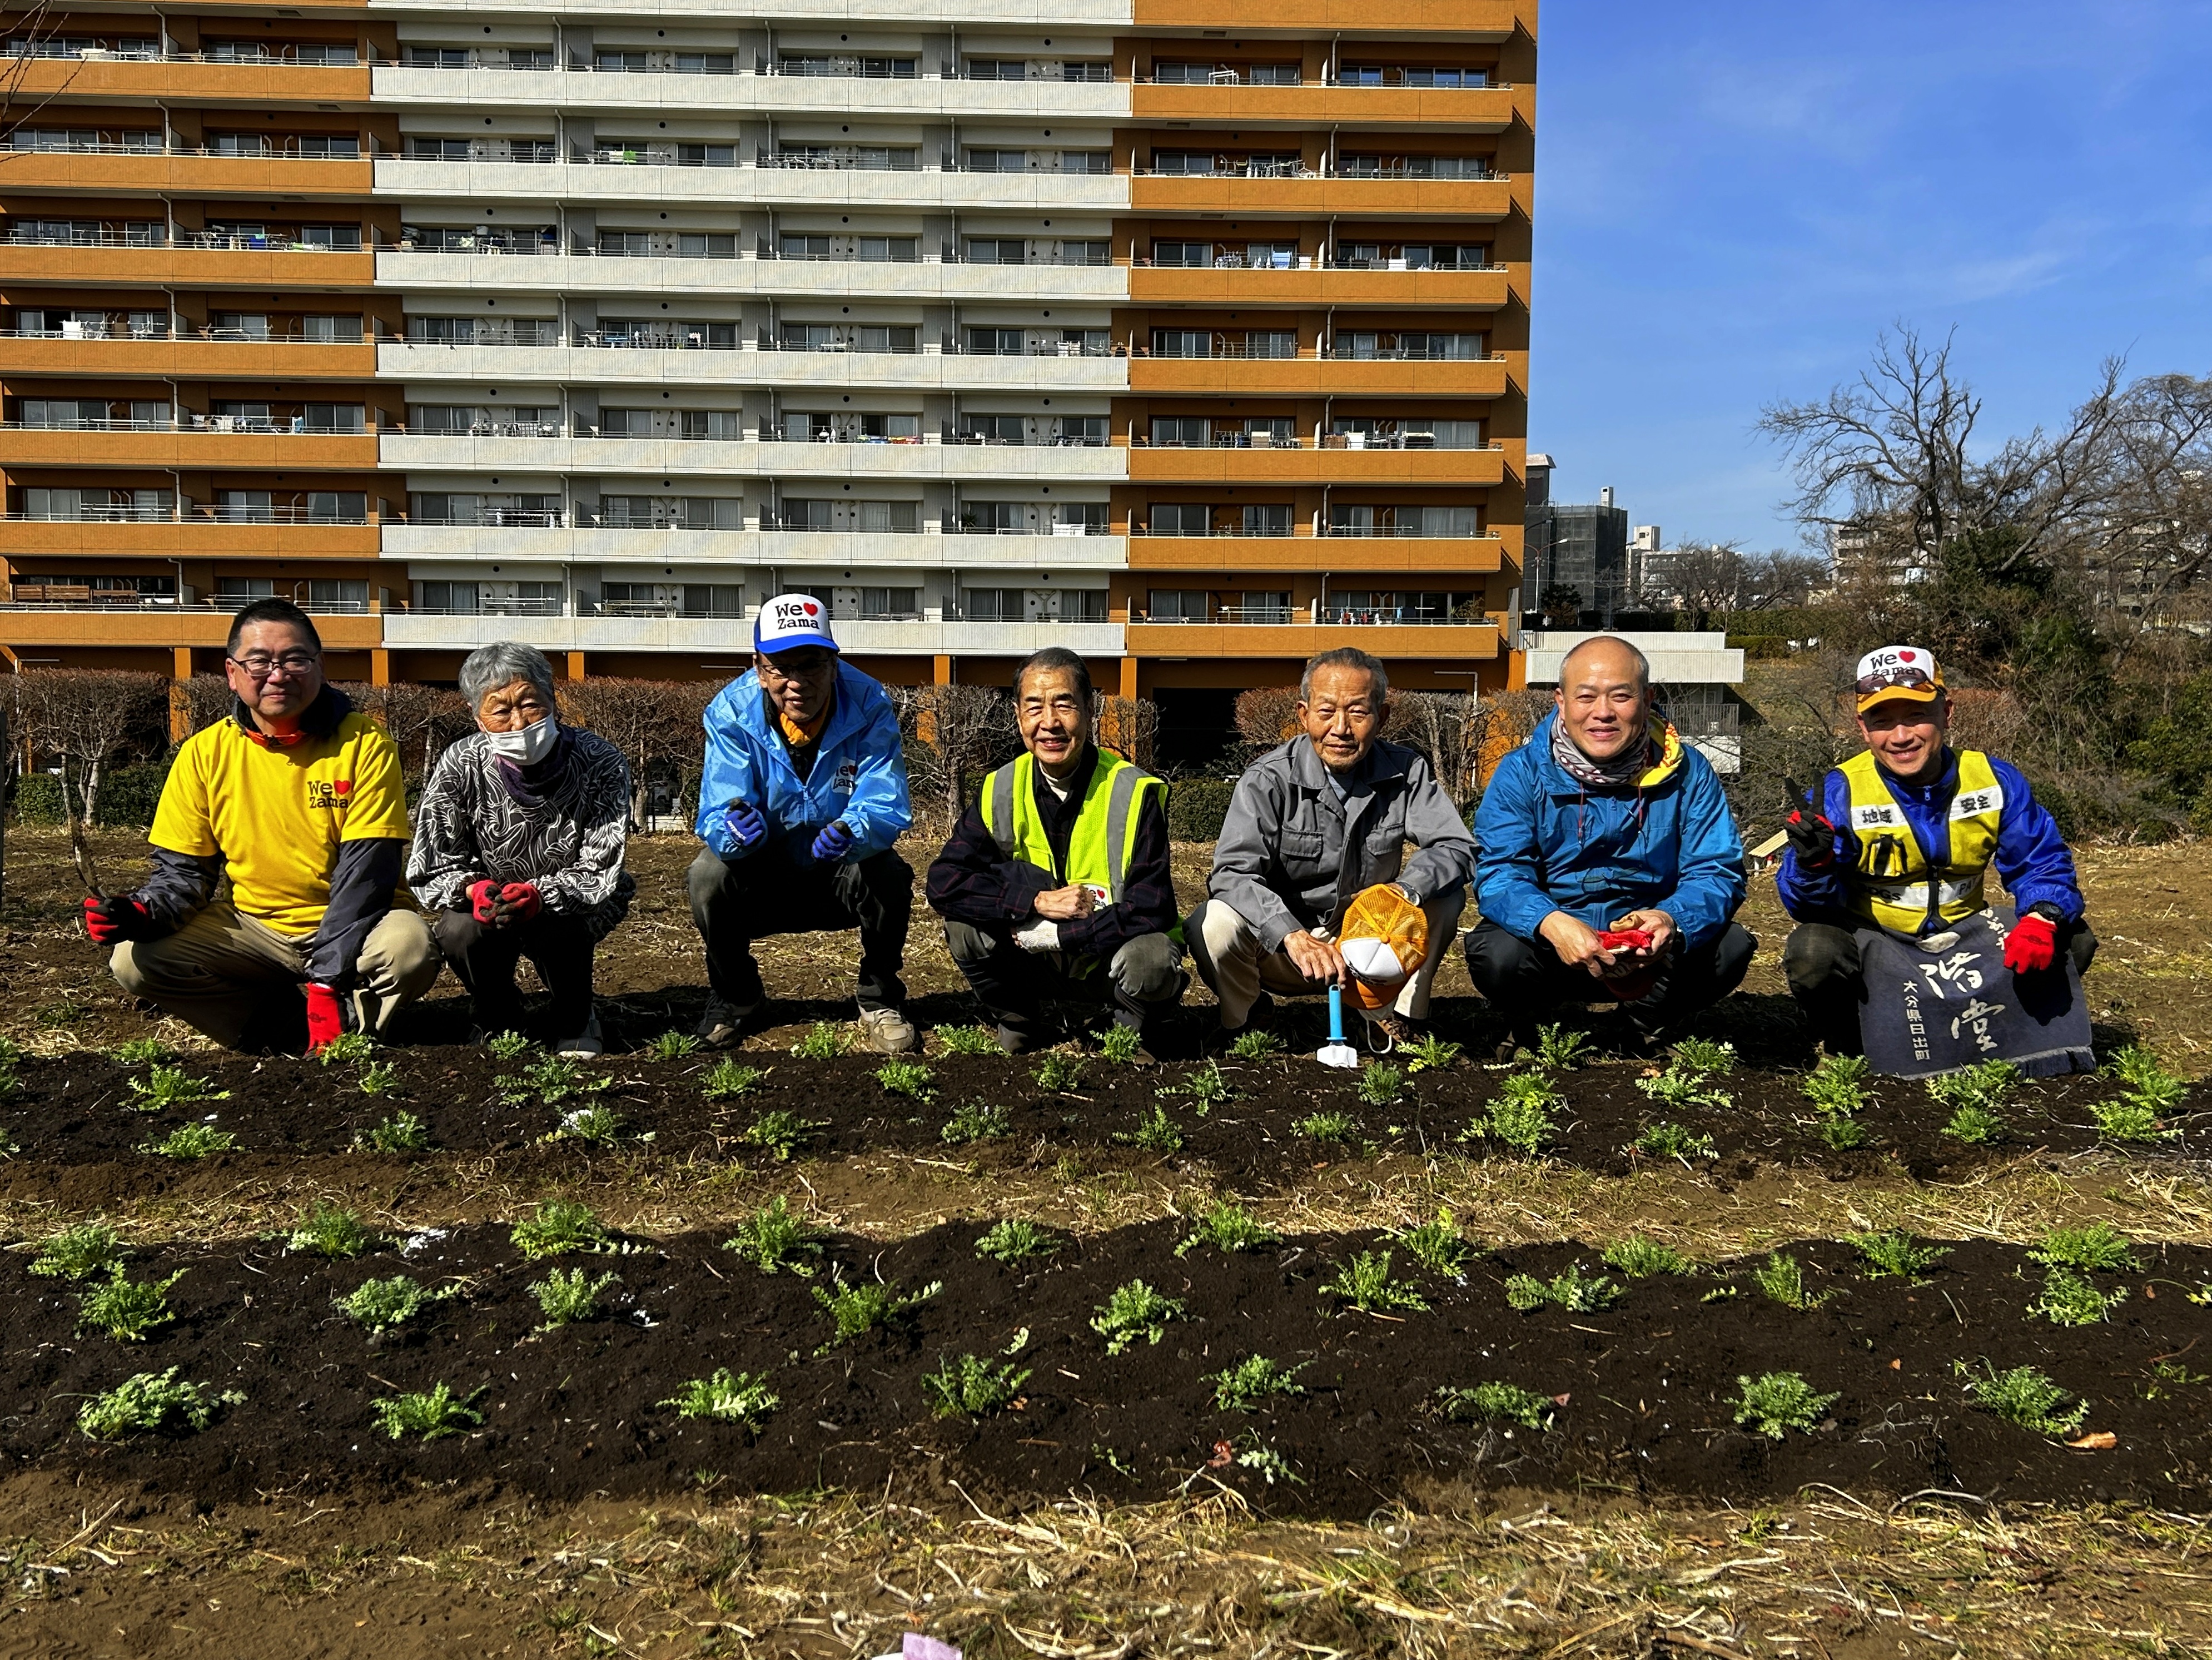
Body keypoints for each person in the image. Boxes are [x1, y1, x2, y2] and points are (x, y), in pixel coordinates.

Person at [85, 598, 440, 1050]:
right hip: (255, 926)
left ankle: (350, 1037)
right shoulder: (204, 752)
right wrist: (143, 911)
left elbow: (366, 874)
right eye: (260, 662)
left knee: (409, 950)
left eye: (295, 659)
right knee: (135, 961)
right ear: (233, 673)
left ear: (319, 666)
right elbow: (185, 874)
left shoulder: (365, 742)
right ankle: (279, 1029)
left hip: (360, 922)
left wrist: (328, 977)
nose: (278, 674)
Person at [1777, 644, 2093, 1055]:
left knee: (2073, 937)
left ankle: (2011, 1032)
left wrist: (2042, 916)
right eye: (1882, 721)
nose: (1900, 736)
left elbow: (2042, 861)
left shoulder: (1993, 780)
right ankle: (1849, 1041)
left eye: (1916, 716)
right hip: (1877, 943)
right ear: (1861, 727)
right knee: (1812, 951)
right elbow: (1807, 910)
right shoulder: (1838, 792)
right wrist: (1814, 864)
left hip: (1966, 937)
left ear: (1946, 712)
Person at [1468, 635, 1751, 1054]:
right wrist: (1549, 922)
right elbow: (1499, 872)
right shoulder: (1521, 771)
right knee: (1496, 953)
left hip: (1648, 951)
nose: (1602, 713)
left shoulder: (1689, 771)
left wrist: (1670, 920)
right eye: (1586, 697)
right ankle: (1537, 1024)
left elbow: (1716, 870)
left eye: (1621, 696)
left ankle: (1642, 1021)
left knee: (1730, 947)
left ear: (1647, 698)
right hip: (1557, 944)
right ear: (1560, 702)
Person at [1189, 647, 1475, 1043]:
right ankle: (1250, 1016)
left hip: (1373, 938)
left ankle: (1394, 1014)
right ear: (1303, 715)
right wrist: (1289, 933)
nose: (1340, 728)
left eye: (1357, 712)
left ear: (1382, 717)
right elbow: (1232, 873)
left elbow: (1455, 847)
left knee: (1444, 899)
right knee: (1213, 920)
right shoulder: (1268, 779)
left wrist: (1401, 893)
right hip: (1286, 950)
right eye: (1326, 712)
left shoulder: (1406, 771)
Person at [687, 593, 917, 1053]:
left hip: (837, 867)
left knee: (889, 873)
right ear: (758, 667)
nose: (796, 683)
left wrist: (854, 829)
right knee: (707, 875)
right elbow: (721, 802)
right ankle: (737, 998)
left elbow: (884, 795)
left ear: (833, 663)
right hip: (763, 870)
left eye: (810, 665)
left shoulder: (869, 702)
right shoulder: (730, 711)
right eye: (779, 667)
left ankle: (879, 998)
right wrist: (733, 829)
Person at [926, 647, 1182, 1055]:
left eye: (1064, 704)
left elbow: (1153, 907)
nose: (1049, 723)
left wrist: (1060, 934)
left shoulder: (1133, 791)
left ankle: (1123, 1027)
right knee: (963, 927)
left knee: (1152, 958)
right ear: (1017, 715)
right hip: (1031, 956)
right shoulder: (999, 788)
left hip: (1107, 957)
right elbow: (943, 882)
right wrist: (1032, 902)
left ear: (1089, 708)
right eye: (1034, 707)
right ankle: (1019, 1017)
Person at [407, 643, 635, 1055]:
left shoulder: (600, 760)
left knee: (562, 923)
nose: (518, 722)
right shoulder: (461, 763)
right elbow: (433, 860)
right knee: (459, 930)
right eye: (500, 710)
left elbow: (601, 865)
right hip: (488, 898)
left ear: (553, 699)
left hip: (572, 894)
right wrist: (474, 890)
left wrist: (539, 895)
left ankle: (575, 1014)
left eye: (531, 704)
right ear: (477, 718)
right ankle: (495, 1011)